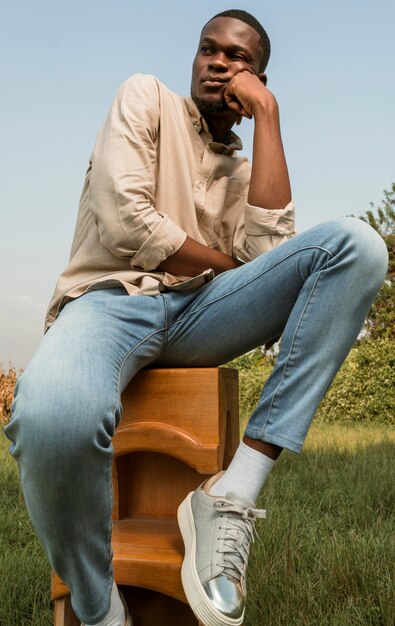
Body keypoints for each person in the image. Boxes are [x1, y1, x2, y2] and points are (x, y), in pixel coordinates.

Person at [4, 8, 388, 626]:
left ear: (256, 80)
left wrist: (268, 118)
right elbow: (126, 222)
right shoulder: (146, 98)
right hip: (108, 301)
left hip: (202, 314)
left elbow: (273, 260)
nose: (218, 62)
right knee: (49, 419)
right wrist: (227, 268)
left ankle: (232, 494)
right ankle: (100, 609)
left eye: (238, 58)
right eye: (209, 49)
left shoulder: (244, 172)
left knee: (357, 248)